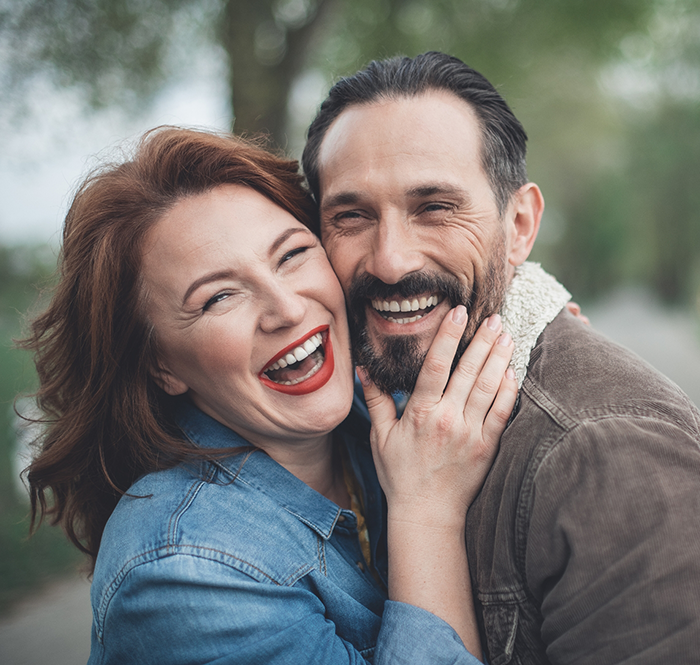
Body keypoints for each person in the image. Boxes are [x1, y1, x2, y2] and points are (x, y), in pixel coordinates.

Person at [22, 127, 519, 664]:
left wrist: (537, 327)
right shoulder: (184, 572)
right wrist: (426, 511)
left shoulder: (374, 401)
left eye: (292, 255)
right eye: (219, 297)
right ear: (160, 366)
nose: (286, 307)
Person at [301, 52, 700, 663]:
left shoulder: (607, 453)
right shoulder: (358, 395)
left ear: (518, 226)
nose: (390, 261)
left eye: (434, 207)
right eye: (351, 216)